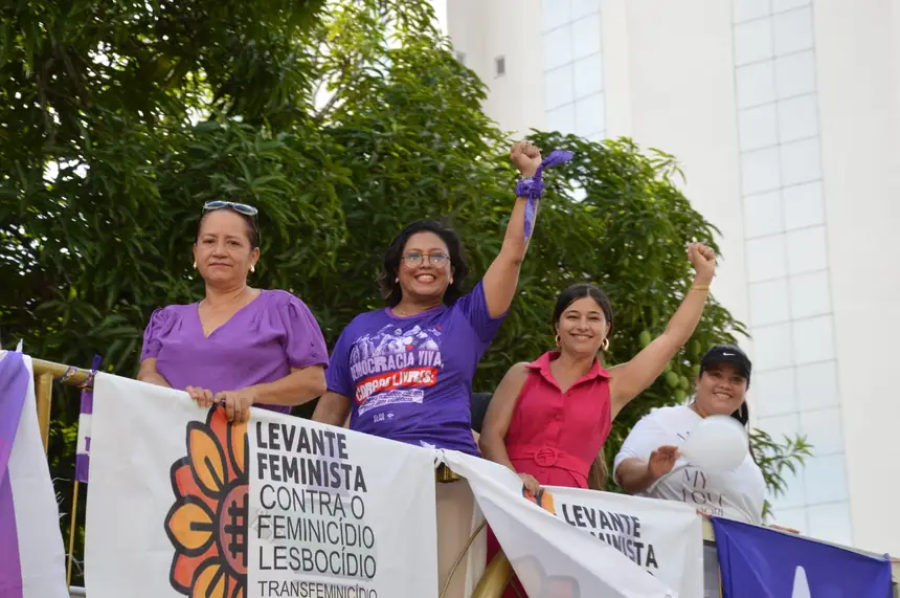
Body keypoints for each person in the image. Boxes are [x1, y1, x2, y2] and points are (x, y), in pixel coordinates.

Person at [312, 141, 547, 454]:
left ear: (451, 274)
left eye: (438, 257)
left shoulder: (468, 319)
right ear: (396, 271)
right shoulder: (359, 328)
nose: (425, 263)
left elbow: (512, 255)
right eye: (414, 256)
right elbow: (330, 412)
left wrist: (529, 181)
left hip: (445, 470)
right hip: (371, 472)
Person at [480, 242, 718, 492]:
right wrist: (512, 481)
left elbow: (671, 339)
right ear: (557, 327)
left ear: (606, 330)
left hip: (570, 509)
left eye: (594, 318)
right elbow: (490, 437)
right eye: (572, 316)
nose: (582, 325)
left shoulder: (614, 386)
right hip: (507, 497)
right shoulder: (522, 373)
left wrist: (703, 278)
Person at [137, 200, 329, 422]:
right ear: (196, 253)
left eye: (233, 243)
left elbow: (313, 381)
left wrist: (251, 394)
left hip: (250, 449)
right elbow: (147, 375)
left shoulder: (282, 308)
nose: (219, 252)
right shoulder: (166, 319)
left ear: (253, 257)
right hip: (170, 447)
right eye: (209, 241)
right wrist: (182, 400)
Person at [613, 344, 764, 524]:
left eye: (736, 379)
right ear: (698, 380)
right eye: (716, 375)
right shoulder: (665, 420)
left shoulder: (744, 451)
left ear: (745, 389)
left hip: (733, 550)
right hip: (677, 546)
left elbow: (744, 517)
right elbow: (624, 473)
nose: (725, 385)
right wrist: (649, 472)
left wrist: (768, 534)